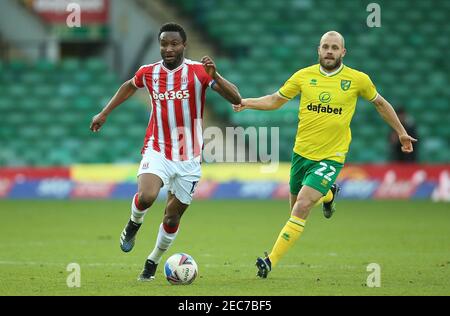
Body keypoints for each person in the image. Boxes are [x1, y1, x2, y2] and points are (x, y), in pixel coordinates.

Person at [233, 31, 417, 279]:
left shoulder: (357, 79)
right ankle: (330, 193)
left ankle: (269, 261)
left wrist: (401, 132)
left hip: (331, 156)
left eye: (334, 47)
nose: (329, 51)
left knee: (302, 206)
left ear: (343, 52)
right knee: (295, 208)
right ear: (318, 50)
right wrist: (246, 102)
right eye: (325, 47)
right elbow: (276, 100)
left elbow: (380, 104)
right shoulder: (303, 76)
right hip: (301, 155)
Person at [90, 23, 241, 281]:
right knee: (147, 195)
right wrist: (104, 113)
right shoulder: (149, 72)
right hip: (157, 148)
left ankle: (152, 263)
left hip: (189, 158)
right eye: (164, 44)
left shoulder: (198, 72)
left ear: (184, 45)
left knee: (171, 217)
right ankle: (133, 224)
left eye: (174, 44)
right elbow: (129, 85)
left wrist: (215, 76)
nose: (168, 48)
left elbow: (236, 98)